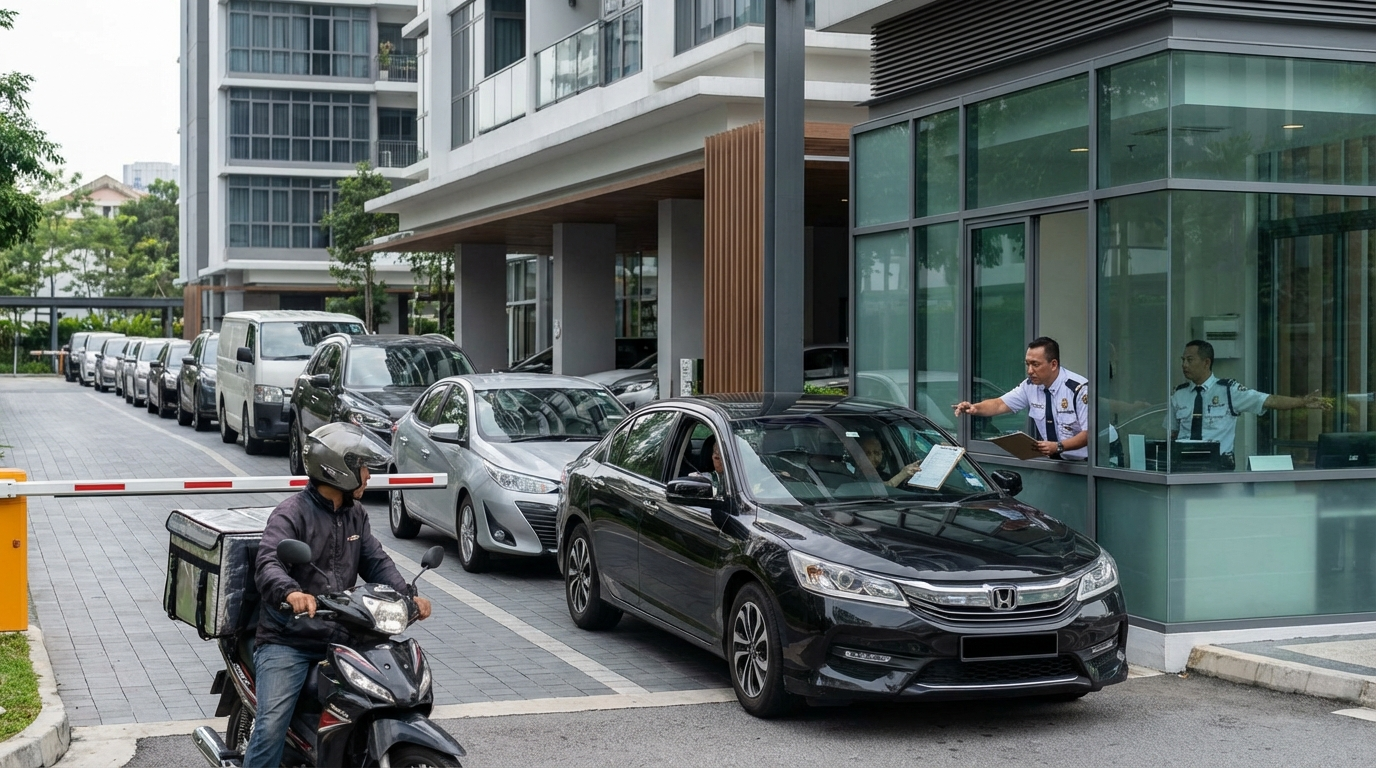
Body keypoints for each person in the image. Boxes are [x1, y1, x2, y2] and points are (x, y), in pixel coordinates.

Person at [243, 422, 433, 768]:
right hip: (290, 640)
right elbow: (269, 563)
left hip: (344, 636)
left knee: (385, 694)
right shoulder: (290, 514)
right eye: (361, 468)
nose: (367, 475)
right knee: (271, 726)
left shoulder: (355, 516)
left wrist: (408, 597)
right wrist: (292, 593)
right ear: (337, 469)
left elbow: (376, 562)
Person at [1167, 339, 1330, 470]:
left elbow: (1269, 400)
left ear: (1206, 362)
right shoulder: (1178, 394)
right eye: (1183, 360)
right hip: (1184, 463)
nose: (1184, 365)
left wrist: (1302, 401)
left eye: (1190, 360)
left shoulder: (1228, 390)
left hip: (1216, 465)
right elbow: (1172, 433)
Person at [952, 337, 1090, 460]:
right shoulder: (1030, 386)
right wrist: (975, 408)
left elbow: (1090, 433)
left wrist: (1058, 446)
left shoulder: (1078, 388)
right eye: (1027, 364)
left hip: (1084, 466)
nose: (1030, 370)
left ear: (1053, 364)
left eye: (1035, 364)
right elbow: (1000, 404)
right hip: (1053, 462)